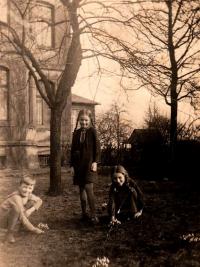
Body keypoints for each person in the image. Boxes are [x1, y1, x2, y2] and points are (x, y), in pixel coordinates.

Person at [70, 109, 100, 224]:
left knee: (89, 189)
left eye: (86, 120)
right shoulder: (76, 133)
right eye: (81, 120)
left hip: (89, 165)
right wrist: (72, 166)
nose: (84, 122)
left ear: (90, 120)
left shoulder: (93, 131)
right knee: (81, 190)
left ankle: (94, 215)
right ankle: (84, 214)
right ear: (79, 120)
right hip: (78, 166)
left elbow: (97, 149)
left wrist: (95, 162)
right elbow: (73, 151)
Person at [0, 174, 44, 243]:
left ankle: (19, 226)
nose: (27, 190)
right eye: (24, 187)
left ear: (33, 189)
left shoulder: (28, 194)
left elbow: (40, 201)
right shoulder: (16, 197)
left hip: (11, 217)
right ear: (19, 187)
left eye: (30, 188)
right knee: (17, 209)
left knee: (32, 202)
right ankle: (9, 233)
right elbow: (21, 215)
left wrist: (30, 210)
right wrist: (33, 229)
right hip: (2, 220)